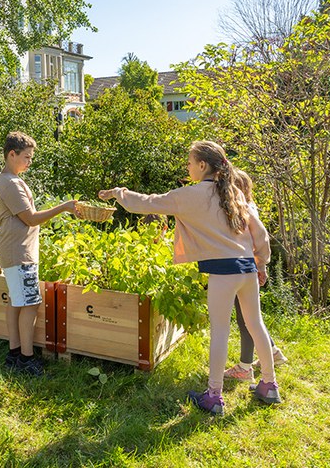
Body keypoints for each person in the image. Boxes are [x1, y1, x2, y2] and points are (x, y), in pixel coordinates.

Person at [99, 141, 281, 414]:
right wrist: (262, 264)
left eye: (190, 162)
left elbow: (148, 203)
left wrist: (118, 193)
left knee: (220, 331)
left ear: (202, 166)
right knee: (256, 324)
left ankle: (214, 396)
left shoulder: (190, 195)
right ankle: (269, 385)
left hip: (223, 272)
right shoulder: (233, 193)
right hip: (247, 269)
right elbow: (261, 233)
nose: (187, 166)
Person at [0, 132, 78, 376]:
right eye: (27, 157)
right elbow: (30, 218)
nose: (30, 162)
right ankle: (26, 358)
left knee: (16, 302)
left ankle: (14, 353)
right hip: (19, 253)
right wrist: (63, 207)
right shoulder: (10, 183)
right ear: (12, 154)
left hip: (14, 250)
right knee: (30, 303)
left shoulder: (10, 179)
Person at [224, 169, 288, 382]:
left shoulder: (243, 211)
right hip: (251, 266)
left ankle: (245, 366)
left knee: (246, 320)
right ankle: (273, 352)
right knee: (251, 318)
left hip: (243, 267)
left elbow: (257, 240)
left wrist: (261, 266)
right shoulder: (251, 208)